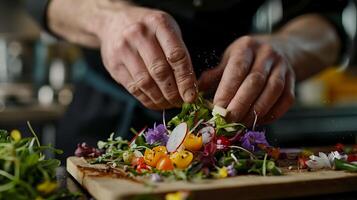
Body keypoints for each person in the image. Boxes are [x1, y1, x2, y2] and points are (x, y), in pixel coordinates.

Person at [26, 0, 351, 159]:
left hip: (238, 122)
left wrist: (287, 48)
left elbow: (329, 19)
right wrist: (106, 19)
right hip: (102, 116)